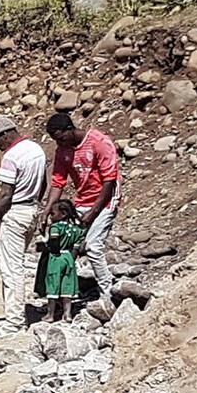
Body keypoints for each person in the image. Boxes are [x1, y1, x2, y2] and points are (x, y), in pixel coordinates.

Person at [40, 111, 123, 303]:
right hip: (82, 201)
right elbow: (58, 182)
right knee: (67, 246)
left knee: (93, 246)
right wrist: (46, 211)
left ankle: (107, 291)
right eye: (56, 141)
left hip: (106, 199)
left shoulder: (99, 142)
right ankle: (64, 293)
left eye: (61, 138)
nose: (59, 144)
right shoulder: (63, 150)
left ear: (70, 129)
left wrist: (93, 213)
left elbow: (110, 180)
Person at [0, 115, 47, 334]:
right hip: (31, 209)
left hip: (15, 213)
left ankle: (14, 321)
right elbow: (44, 182)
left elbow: (6, 194)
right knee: (18, 264)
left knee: (11, 269)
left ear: (6, 135)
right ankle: (16, 314)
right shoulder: (36, 149)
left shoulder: (11, 156)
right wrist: (37, 204)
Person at [37, 199, 85, 322]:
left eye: (52, 214)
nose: (50, 217)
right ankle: (67, 314)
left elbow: (54, 244)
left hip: (56, 258)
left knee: (53, 285)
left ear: (63, 214)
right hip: (68, 257)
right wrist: (70, 259)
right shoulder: (76, 230)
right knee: (67, 287)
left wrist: (46, 244)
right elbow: (76, 248)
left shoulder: (55, 228)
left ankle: (50, 314)